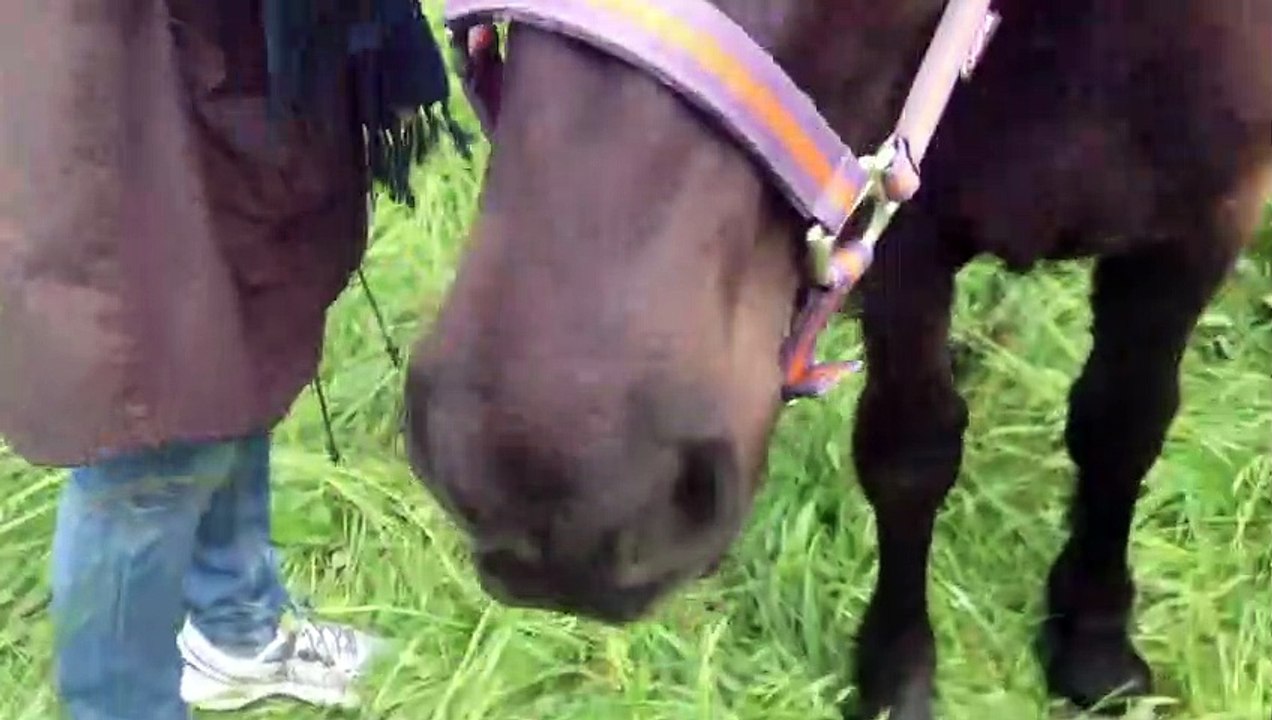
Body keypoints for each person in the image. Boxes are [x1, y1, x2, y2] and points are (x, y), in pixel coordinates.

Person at [0, 1, 466, 718]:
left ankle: (236, 631)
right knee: (152, 420)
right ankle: (121, 706)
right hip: (108, 81)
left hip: (227, 57)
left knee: (236, 348)